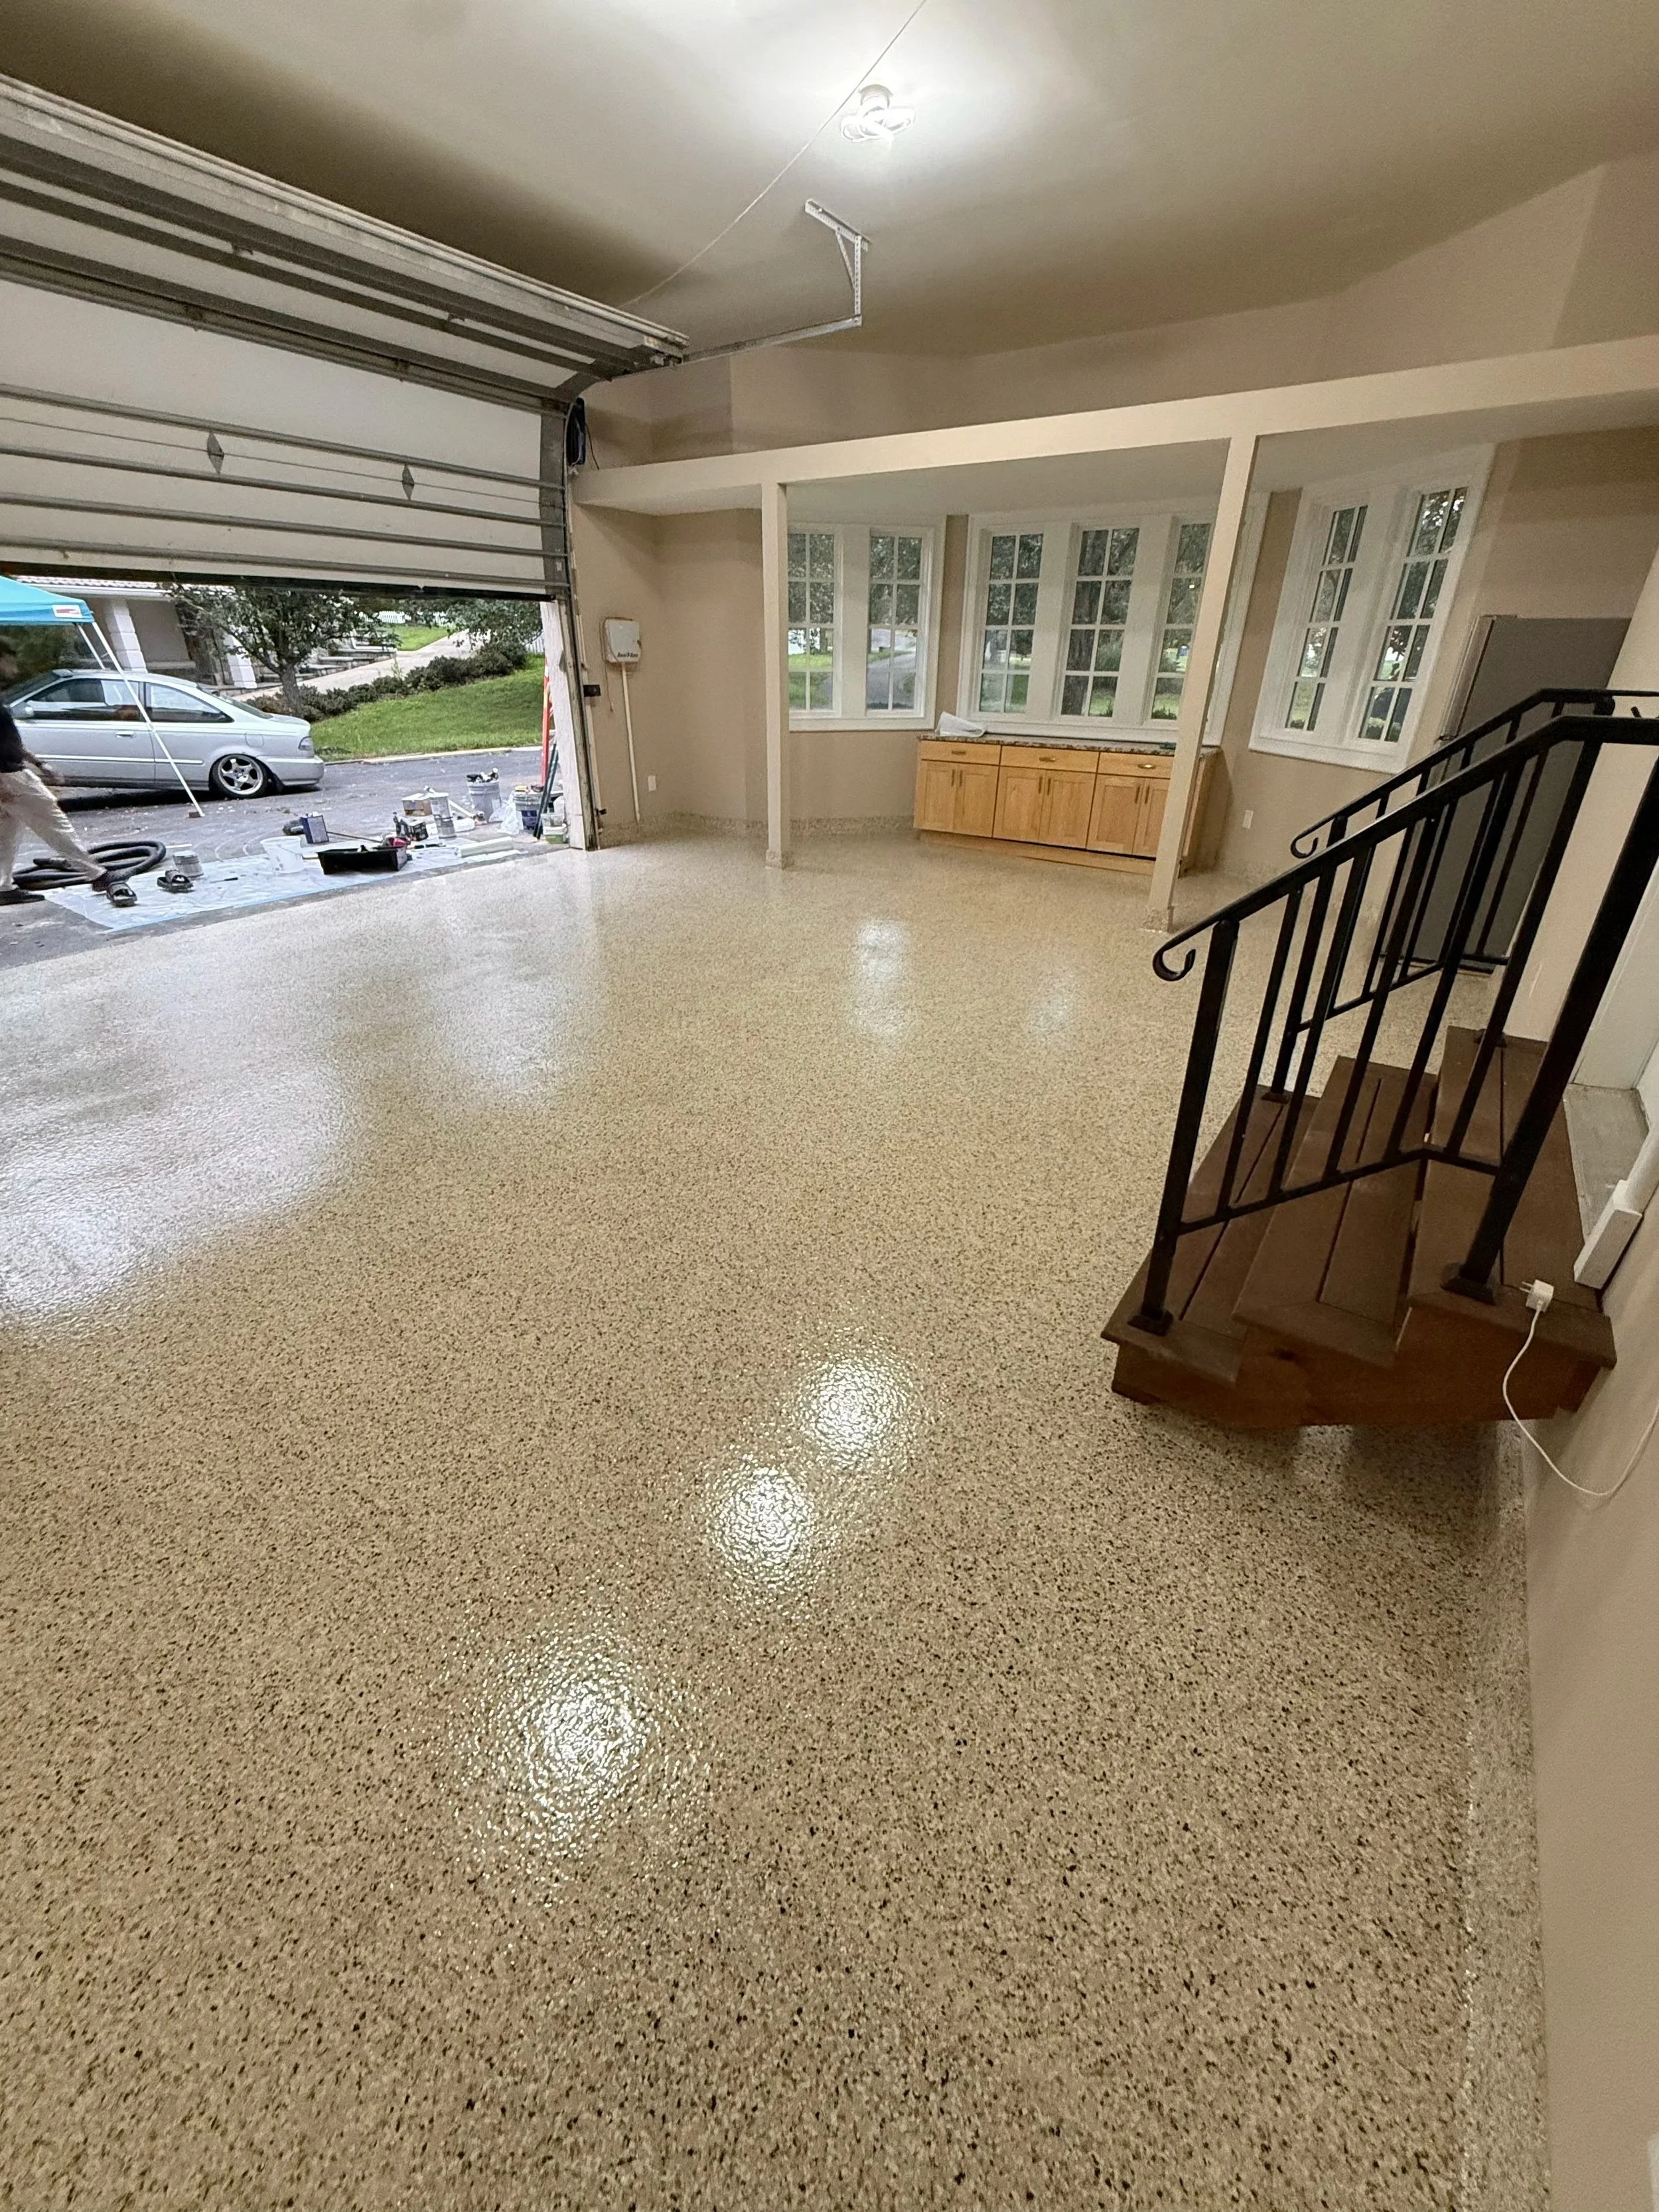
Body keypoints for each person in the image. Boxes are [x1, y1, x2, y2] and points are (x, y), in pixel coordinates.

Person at [0, 644, 116, 905]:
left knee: (5, 834)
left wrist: (40, 764)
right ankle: (97, 874)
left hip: (12, 773)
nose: (14, 668)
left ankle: (3, 887)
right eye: (10, 661)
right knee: (53, 822)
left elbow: (8, 741)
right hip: (9, 778)